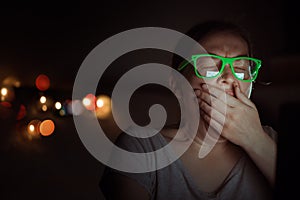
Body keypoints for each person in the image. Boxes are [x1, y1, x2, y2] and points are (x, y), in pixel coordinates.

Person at [99, 20, 277, 200]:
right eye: (209, 68)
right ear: (177, 83)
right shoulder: (142, 148)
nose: (229, 78)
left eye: (240, 69)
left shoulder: (273, 143)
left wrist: (255, 140)